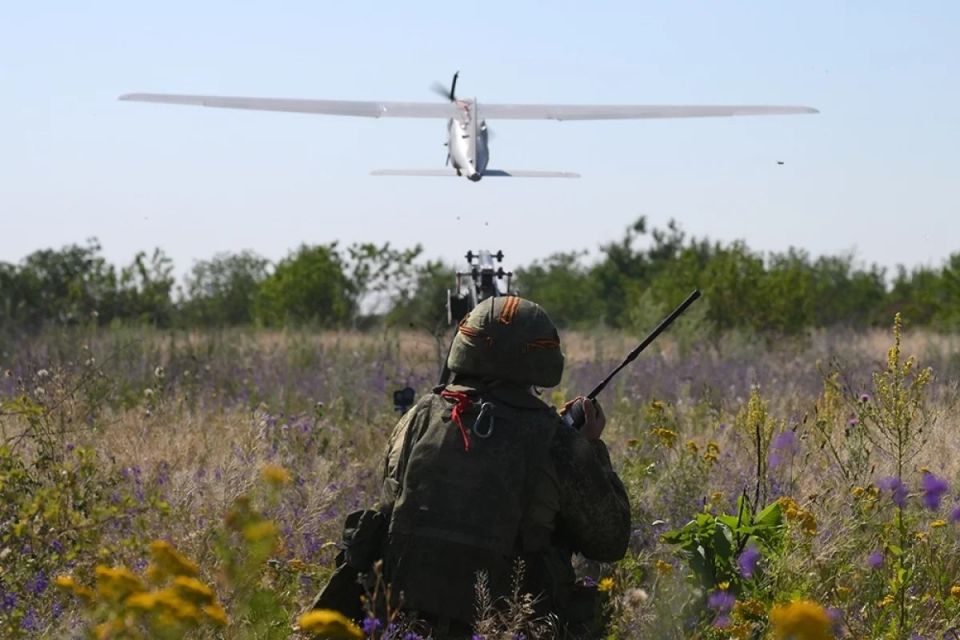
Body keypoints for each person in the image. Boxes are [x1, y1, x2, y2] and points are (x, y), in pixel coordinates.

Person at [376, 295, 631, 638]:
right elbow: (610, 540)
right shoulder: (559, 442)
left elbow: (390, 505)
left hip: (409, 623)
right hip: (510, 625)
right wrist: (591, 447)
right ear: (543, 360)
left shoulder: (418, 417)